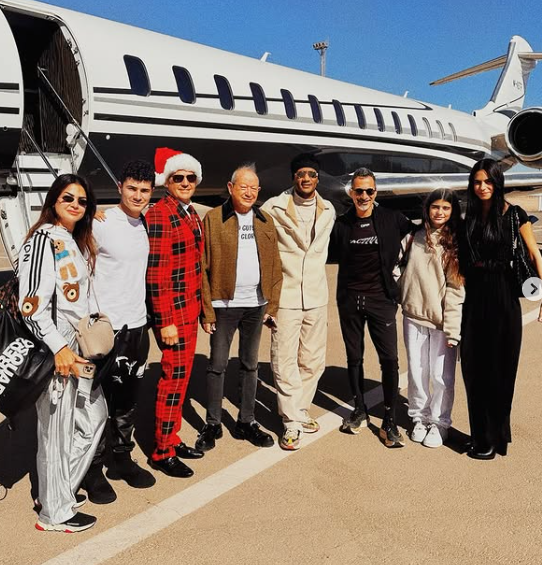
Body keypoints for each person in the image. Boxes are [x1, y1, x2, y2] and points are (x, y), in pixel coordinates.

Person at [18, 174, 107, 533]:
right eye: (67, 197)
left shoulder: (71, 238)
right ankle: (54, 513)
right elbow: (30, 306)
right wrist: (59, 348)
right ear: (54, 200)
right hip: (56, 347)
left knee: (93, 417)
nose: (75, 204)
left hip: (76, 344)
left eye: (82, 200)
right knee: (56, 431)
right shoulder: (43, 239)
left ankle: (57, 492)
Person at [82, 161, 156, 504]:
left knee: (127, 400)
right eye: (132, 188)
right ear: (120, 187)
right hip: (104, 329)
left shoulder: (145, 223)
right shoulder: (100, 223)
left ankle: (122, 458)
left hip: (136, 325)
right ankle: (93, 469)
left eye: (144, 190)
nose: (138, 195)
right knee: (94, 403)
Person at [196, 164, 282, 451]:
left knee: (250, 364)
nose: (248, 192)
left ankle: (246, 421)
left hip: (256, 305)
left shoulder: (265, 220)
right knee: (217, 364)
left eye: (253, 188)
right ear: (231, 188)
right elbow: (202, 266)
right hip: (224, 304)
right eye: (243, 186)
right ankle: (212, 423)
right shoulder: (213, 218)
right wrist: (207, 310)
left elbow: (275, 265)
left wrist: (272, 304)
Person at [460, 158, 542, 460]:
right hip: (474, 297)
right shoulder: (468, 217)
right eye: (477, 182)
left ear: (498, 182)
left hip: (504, 296)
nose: (482, 187)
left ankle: (493, 438)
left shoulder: (514, 214)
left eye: (488, 181)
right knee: (473, 368)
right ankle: (479, 434)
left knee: (500, 370)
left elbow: (534, 254)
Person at [329, 167, 412, 448]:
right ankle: (359, 410)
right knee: (354, 358)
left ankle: (389, 419)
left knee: (389, 360)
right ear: (351, 193)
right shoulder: (342, 224)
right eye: (359, 191)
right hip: (349, 300)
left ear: (375, 192)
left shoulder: (391, 218)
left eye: (369, 191)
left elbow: (420, 239)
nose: (364, 196)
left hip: (381, 299)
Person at [261, 154, 335, 450]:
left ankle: (300, 408)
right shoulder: (273, 208)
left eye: (311, 174)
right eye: (301, 174)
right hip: (286, 296)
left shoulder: (328, 210)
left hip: (316, 296)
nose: (306, 179)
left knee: (313, 360)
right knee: (284, 359)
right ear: (293, 177)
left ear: (318, 178)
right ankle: (291, 420)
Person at [145, 148, 205, 477]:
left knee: (182, 379)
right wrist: (165, 321)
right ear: (166, 181)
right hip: (174, 314)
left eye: (190, 177)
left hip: (190, 310)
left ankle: (173, 436)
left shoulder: (189, 211)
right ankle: (162, 451)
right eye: (177, 177)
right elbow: (156, 275)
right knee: (172, 380)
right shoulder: (160, 214)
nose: (184, 182)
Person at [400, 189, 464, 448]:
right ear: (427, 209)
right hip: (413, 316)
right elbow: (396, 266)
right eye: (435, 206)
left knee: (441, 376)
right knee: (416, 371)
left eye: (445, 208)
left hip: (441, 322)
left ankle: (440, 422)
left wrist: (453, 329)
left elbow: (456, 289)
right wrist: (401, 289)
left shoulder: (455, 243)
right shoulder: (413, 237)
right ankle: (419, 417)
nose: (439, 212)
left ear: (453, 211)